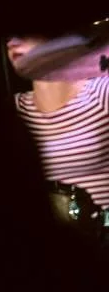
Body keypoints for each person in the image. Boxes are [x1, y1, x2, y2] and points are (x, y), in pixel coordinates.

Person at [7, 29, 109, 238]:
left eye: (25, 32)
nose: (12, 42)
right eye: (8, 35)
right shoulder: (14, 109)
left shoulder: (101, 93)